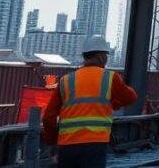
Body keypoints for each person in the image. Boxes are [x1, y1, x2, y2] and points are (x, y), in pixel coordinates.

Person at [42, 35, 137, 168]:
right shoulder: (110, 77)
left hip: (67, 145)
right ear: (100, 56)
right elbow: (131, 97)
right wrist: (114, 104)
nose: (106, 58)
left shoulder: (65, 80)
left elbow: (48, 117)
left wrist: (52, 142)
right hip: (95, 144)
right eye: (106, 55)